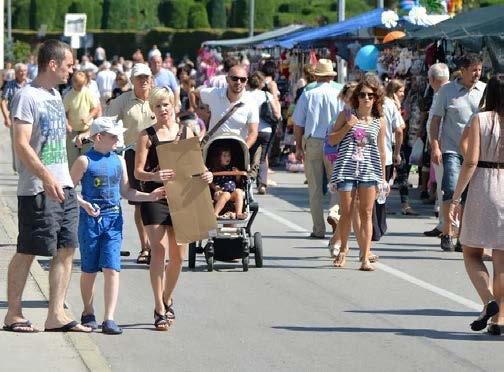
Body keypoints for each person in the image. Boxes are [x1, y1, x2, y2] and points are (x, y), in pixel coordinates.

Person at [3, 39, 91, 333]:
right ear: (52, 64)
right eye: (68, 65)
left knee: (66, 249)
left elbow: (54, 139)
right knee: (28, 249)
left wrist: (78, 141)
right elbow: (20, 144)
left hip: (63, 185)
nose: (71, 71)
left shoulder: (54, 94)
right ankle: (13, 314)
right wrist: (47, 177)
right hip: (38, 190)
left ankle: (56, 315)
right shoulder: (27, 97)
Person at [70, 117, 165, 334]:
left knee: (112, 268)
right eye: (113, 136)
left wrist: (149, 196)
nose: (117, 140)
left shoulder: (119, 160)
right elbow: (68, 190)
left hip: (113, 219)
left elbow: (126, 191)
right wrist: (84, 204)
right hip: (91, 222)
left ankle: (109, 318)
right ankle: (88, 311)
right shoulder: (85, 161)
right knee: (89, 269)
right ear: (99, 137)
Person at [134, 87, 213, 330]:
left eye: (166, 105)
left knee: (178, 257)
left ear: (173, 105)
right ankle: (159, 307)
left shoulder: (187, 131)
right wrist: (155, 175)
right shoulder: (146, 136)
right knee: (159, 250)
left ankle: (167, 297)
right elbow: (138, 172)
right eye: (158, 106)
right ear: (152, 109)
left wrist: (207, 174)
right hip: (157, 196)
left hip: (183, 196)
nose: (163, 110)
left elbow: (197, 165)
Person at [449, 74, 504, 335]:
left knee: (471, 251)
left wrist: (456, 197)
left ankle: (488, 300)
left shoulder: (480, 119)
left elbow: (470, 161)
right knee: (502, 257)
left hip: (484, 185)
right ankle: (500, 319)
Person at [328, 74, 387, 271]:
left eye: (370, 95)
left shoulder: (379, 120)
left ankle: (365, 257)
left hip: (369, 170)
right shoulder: (345, 115)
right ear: (356, 97)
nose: (366, 99)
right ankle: (344, 249)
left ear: (376, 97)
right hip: (346, 168)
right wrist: (348, 126)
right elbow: (332, 140)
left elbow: (381, 150)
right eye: (362, 95)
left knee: (367, 213)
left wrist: (383, 178)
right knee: (346, 213)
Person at [430, 54, 486, 252]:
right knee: (452, 190)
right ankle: (447, 233)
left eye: (479, 70)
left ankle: (463, 235)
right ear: (462, 71)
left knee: (470, 195)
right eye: (473, 70)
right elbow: (436, 121)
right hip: (452, 149)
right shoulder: (447, 91)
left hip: (477, 151)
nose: (477, 74)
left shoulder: (485, 90)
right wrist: (435, 146)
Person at [106, 63, 156, 264]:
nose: (143, 81)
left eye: (146, 77)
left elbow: (171, 118)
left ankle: (158, 246)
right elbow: (107, 122)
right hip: (134, 155)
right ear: (132, 80)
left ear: (151, 79)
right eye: (139, 78)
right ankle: (145, 247)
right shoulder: (124, 100)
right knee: (140, 203)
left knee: (160, 200)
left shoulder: (159, 97)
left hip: (159, 155)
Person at [292, 59, 343, 239]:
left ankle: (318, 228)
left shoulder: (308, 93)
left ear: (316, 76)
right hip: (335, 142)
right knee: (336, 183)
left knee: (314, 188)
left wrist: (298, 147)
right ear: (331, 75)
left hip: (313, 140)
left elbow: (298, 123)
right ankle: (335, 212)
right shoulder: (340, 93)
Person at [191, 65, 259, 148]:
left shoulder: (251, 103)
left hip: (236, 149)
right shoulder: (214, 94)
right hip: (214, 149)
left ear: (246, 82)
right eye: (235, 78)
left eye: (242, 79)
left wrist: (244, 149)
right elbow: (193, 93)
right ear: (227, 79)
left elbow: (253, 132)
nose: (238, 82)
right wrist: (196, 109)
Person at [424, 63, 450, 238]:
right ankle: (443, 223)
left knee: (446, 188)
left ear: (432, 79)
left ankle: (448, 225)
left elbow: (440, 124)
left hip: (445, 148)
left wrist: (437, 146)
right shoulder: (440, 93)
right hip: (439, 147)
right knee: (442, 187)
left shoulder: (445, 93)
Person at [385, 79, 418, 215]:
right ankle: (403, 205)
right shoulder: (391, 104)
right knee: (397, 175)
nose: (403, 94)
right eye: (400, 91)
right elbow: (400, 127)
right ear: (393, 92)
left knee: (395, 176)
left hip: (394, 143)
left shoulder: (391, 103)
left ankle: (401, 204)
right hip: (392, 144)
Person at [247, 71, 281, 194]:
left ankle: (248, 181)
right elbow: (277, 114)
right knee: (263, 157)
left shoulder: (244, 95)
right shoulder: (266, 95)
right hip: (266, 130)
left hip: (249, 130)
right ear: (261, 83)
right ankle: (262, 184)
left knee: (249, 156)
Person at [63, 71, 100, 167]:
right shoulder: (68, 95)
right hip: (73, 132)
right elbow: (64, 113)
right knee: (72, 161)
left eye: (82, 84)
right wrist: (67, 125)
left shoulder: (88, 93)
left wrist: (88, 117)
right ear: (73, 82)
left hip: (87, 131)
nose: (80, 87)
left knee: (87, 159)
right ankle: (73, 180)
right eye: (78, 84)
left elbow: (96, 108)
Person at [1, 63, 31, 173]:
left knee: (31, 143)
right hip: (15, 119)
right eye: (20, 71)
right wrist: (6, 117)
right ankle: (18, 168)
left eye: (24, 70)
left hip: (30, 120)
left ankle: (29, 166)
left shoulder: (31, 84)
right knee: (17, 144)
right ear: (16, 73)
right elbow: (3, 101)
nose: (23, 73)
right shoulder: (10, 85)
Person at [210, 147, 247, 219]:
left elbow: (238, 182)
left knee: (239, 191)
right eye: (224, 156)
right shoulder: (214, 168)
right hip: (219, 192)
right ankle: (215, 213)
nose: (227, 158)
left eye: (229, 155)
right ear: (219, 157)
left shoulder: (232, 168)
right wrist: (216, 188)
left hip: (232, 193)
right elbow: (210, 182)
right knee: (226, 194)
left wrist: (237, 175)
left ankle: (239, 213)